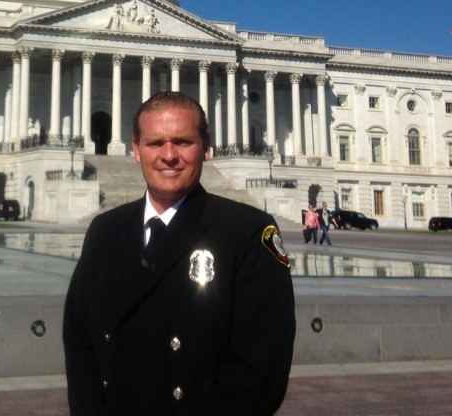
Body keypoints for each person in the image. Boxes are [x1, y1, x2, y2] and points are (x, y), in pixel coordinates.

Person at [63, 91, 295, 415]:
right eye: (155, 143)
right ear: (136, 150)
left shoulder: (247, 232)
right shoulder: (105, 231)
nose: (168, 155)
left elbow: (258, 369)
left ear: (206, 147)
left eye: (183, 142)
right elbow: (80, 344)